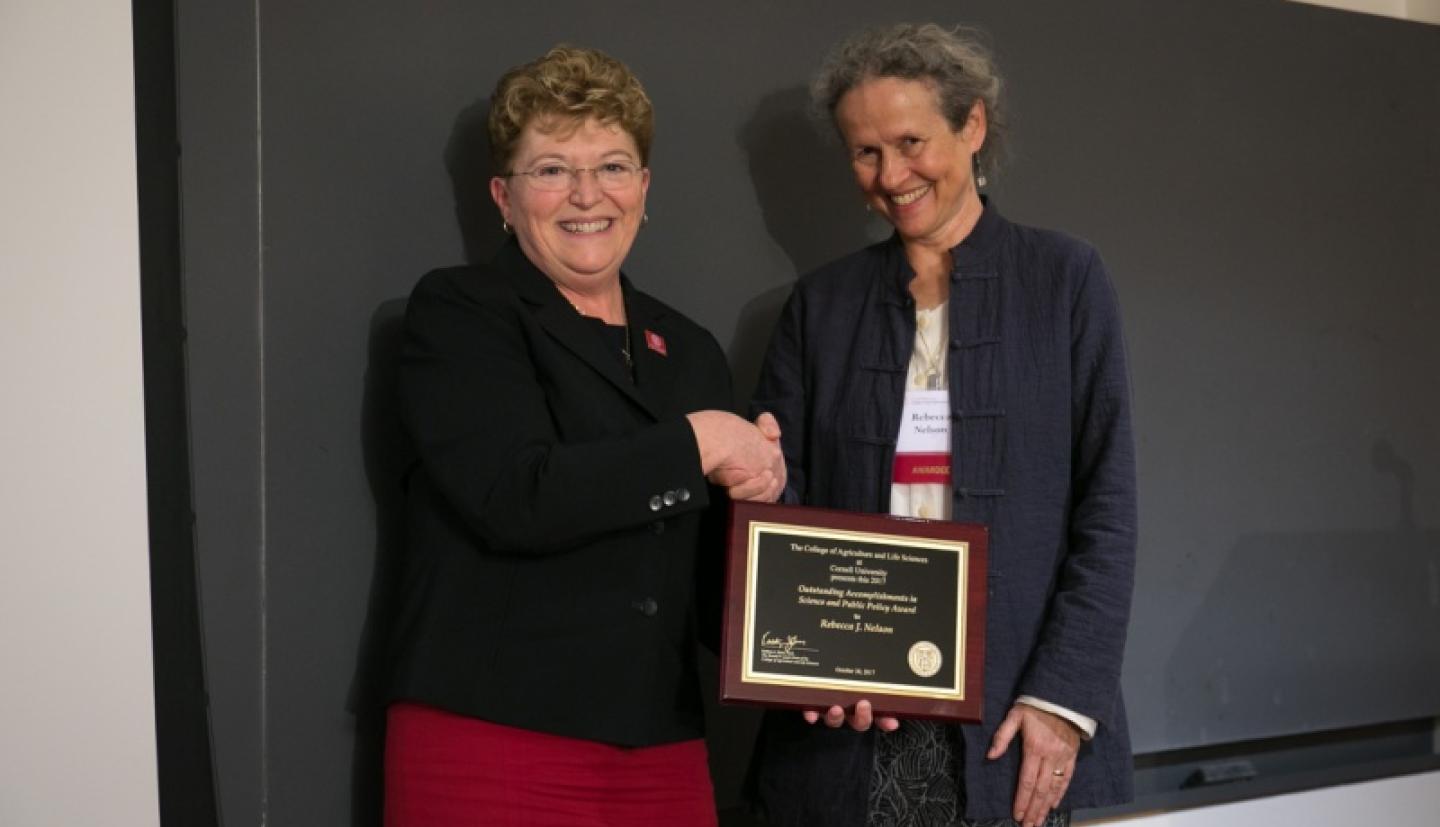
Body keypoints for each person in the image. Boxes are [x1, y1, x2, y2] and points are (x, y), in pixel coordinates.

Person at [745, 23, 1137, 827]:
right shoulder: (821, 306)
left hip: (1018, 721)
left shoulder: (1066, 278)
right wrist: (813, 667)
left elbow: (1109, 507)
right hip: (853, 726)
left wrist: (1063, 697)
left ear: (974, 126)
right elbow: (783, 507)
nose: (892, 175)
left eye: (911, 140)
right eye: (864, 152)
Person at [383, 44, 783, 827]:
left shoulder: (690, 348)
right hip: (491, 735)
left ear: (644, 187)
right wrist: (700, 444)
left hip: (661, 748)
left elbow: (705, 586)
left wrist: (763, 509)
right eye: (552, 169)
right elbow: (516, 493)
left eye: (612, 165)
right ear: (503, 196)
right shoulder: (462, 312)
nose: (586, 194)